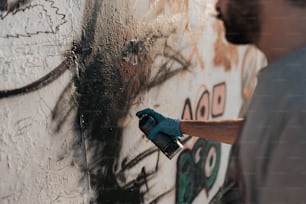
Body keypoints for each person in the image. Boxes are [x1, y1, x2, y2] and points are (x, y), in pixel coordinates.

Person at [136, 0, 306, 203]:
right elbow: (260, 131)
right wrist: (182, 126)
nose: (217, 6)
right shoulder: (289, 79)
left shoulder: (297, 98)